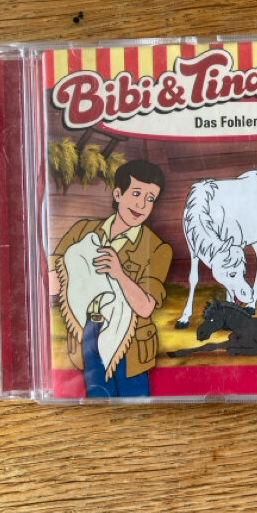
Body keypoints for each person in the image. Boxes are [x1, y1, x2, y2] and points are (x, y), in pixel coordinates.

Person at [49, 160, 173, 397]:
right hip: (87, 335)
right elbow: (50, 283)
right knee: (98, 404)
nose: (141, 204)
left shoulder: (157, 248)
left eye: (150, 198)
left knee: (136, 406)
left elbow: (145, 307)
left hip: (131, 343)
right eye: (136, 193)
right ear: (118, 194)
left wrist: (119, 273)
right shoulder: (82, 232)